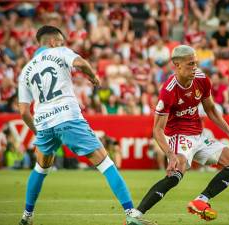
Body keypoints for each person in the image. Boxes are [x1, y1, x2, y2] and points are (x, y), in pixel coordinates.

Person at [17, 26, 154, 225]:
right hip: (68, 116)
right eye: (61, 41)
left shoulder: (25, 71)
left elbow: (23, 111)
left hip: (43, 122)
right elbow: (80, 63)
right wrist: (93, 76)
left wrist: (37, 131)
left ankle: (26, 216)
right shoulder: (60, 52)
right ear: (54, 41)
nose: (62, 45)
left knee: (41, 168)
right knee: (105, 162)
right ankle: (131, 213)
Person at [127, 45, 229, 221]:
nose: (195, 67)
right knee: (177, 172)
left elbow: (211, 110)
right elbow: (157, 129)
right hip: (179, 137)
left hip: (199, 137)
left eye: (196, 63)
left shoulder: (202, 79)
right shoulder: (168, 91)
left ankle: (201, 200)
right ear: (177, 65)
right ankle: (135, 215)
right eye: (190, 64)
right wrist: (170, 154)